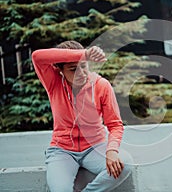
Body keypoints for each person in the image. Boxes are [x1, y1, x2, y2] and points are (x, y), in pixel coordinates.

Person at [32, 40, 132, 192]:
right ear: (60, 70)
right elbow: (37, 56)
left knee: (125, 164)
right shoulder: (54, 83)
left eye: (84, 66)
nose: (81, 73)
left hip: (95, 147)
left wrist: (111, 150)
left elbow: (115, 125)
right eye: (73, 69)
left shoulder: (101, 85)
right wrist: (84, 53)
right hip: (62, 150)